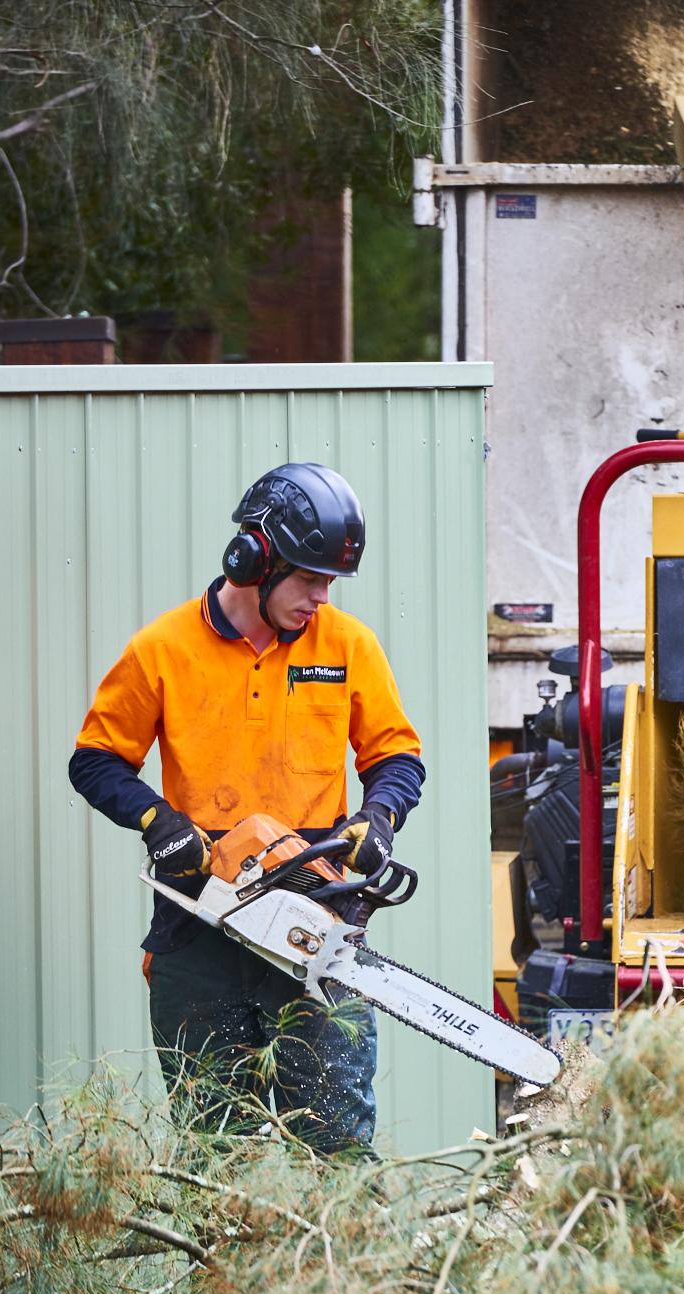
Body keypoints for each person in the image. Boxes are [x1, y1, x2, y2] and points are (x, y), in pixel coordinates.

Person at [68, 462, 426, 1152]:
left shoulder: (347, 646)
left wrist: (378, 817)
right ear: (255, 559)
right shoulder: (163, 649)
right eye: (309, 578)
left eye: (330, 582)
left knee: (337, 1143)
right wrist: (158, 823)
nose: (321, 597)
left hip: (314, 917)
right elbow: (96, 759)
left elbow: (396, 756)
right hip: (200, 923)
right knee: (213, 1147)